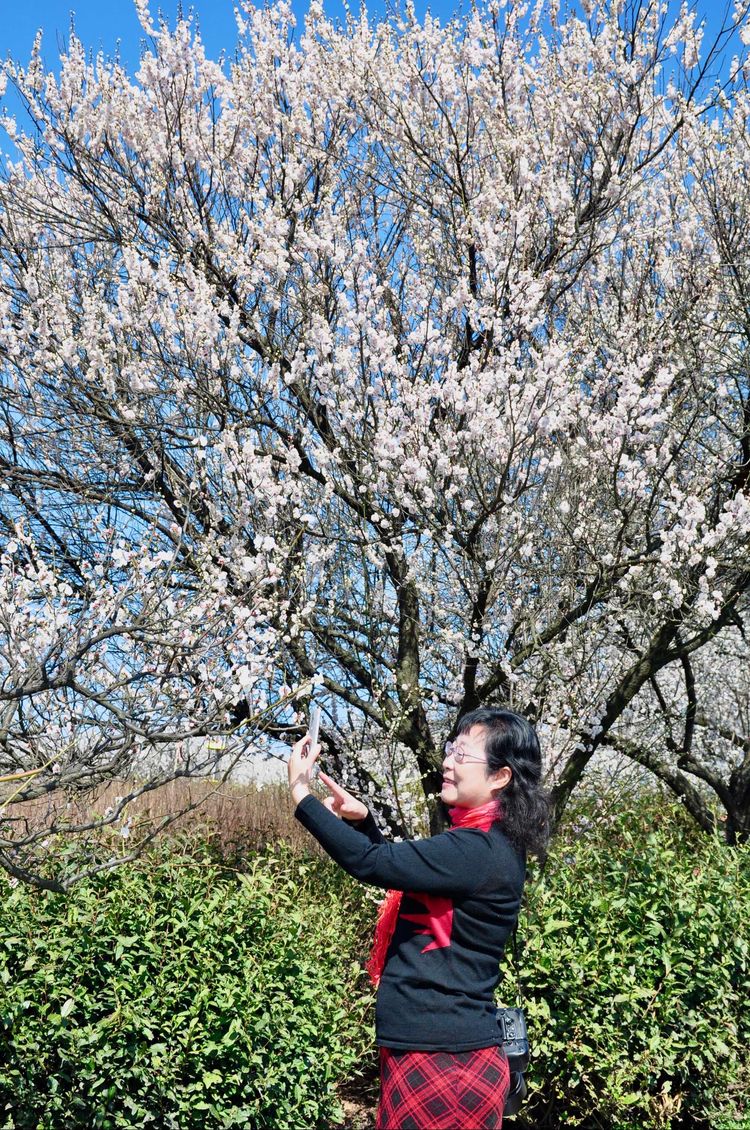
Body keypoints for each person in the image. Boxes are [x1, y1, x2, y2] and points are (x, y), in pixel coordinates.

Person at [287, 706, 550, 1130]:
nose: (448, 761)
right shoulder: (482, 844)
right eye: (451, 749)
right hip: (438, 1051)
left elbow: (372, 864)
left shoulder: (477, 850)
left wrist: (301, 792)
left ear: (500, 777)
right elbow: (404, 869)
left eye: (463, 755)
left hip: (445, 1062)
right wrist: (364, 823)